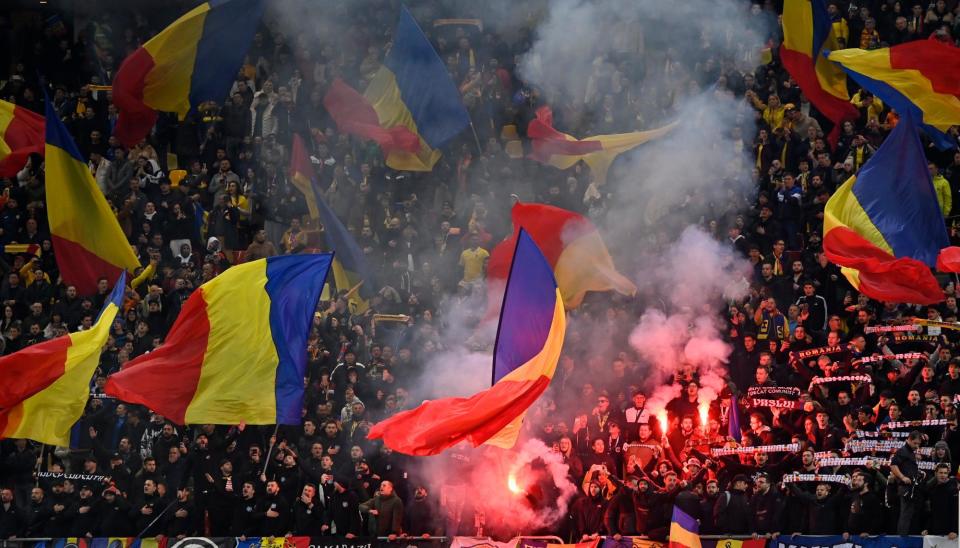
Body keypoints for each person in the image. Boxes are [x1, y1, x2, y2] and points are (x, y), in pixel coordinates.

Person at [890, 431, 923, 535]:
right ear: (908, 439)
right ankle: (902, 539)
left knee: (910, 514)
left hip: (911, 487)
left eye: (918, 444)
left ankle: (907, 537)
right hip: (905, 488)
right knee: (905, 514)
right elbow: (893, 465)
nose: (917, 446)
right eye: (915, 443)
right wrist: (902, 477)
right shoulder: (903, 451)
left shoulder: (910, 452)